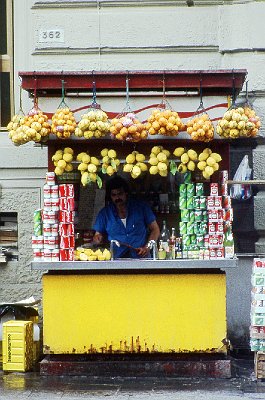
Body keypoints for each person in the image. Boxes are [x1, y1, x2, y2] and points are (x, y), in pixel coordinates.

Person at [93, 175, 160, 258]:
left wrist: (147, 247)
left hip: (141, 258)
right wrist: (98, 238)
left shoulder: (141, 207)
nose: (117, 197)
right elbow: (97, 234)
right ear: (110, 197)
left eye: (120, 194)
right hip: (116, 260)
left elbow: (155, 229)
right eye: (114, 195)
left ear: (126, 193)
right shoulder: (105, 213)